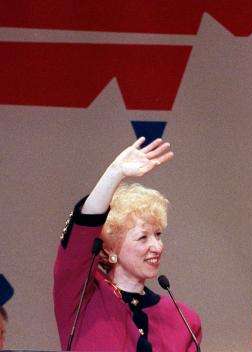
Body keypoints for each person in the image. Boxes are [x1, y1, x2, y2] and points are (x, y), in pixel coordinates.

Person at [53, 137, 202, 351]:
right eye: (143, 237)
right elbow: (81, 232)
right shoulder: (81, 296)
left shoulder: (184, 320)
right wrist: (115, 173)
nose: (157, 247)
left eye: (158, 235)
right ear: (110, 248)